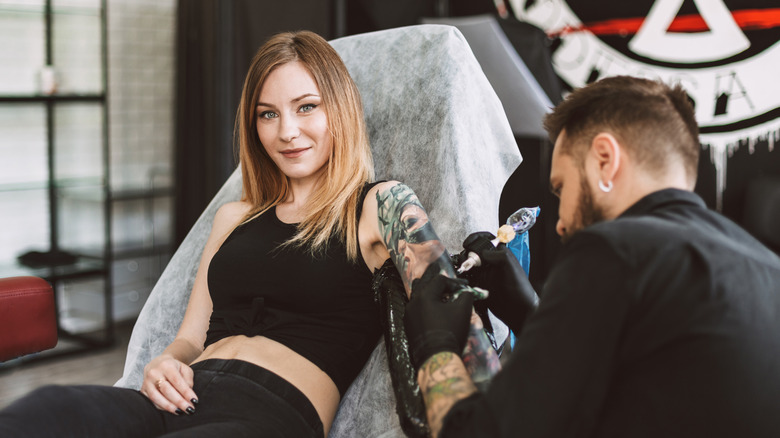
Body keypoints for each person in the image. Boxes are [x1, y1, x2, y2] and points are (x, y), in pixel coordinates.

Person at [0, 30, 474, 438]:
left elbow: (443, 299)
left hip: (269, 413)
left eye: (306, 107)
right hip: (180, 396)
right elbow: (189, 338)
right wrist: (165, 360)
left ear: (340, 111)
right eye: (268, 114)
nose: (287, 131)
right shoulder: (235, 216)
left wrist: (467, 412)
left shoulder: (379, 205)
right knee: (42, 412)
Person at [404, 76, 780, 437]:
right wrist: (529, 314)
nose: (560, 224)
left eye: (561, 187)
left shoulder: (615, 249)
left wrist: (433, 344)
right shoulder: (766, 269)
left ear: (604, 160)